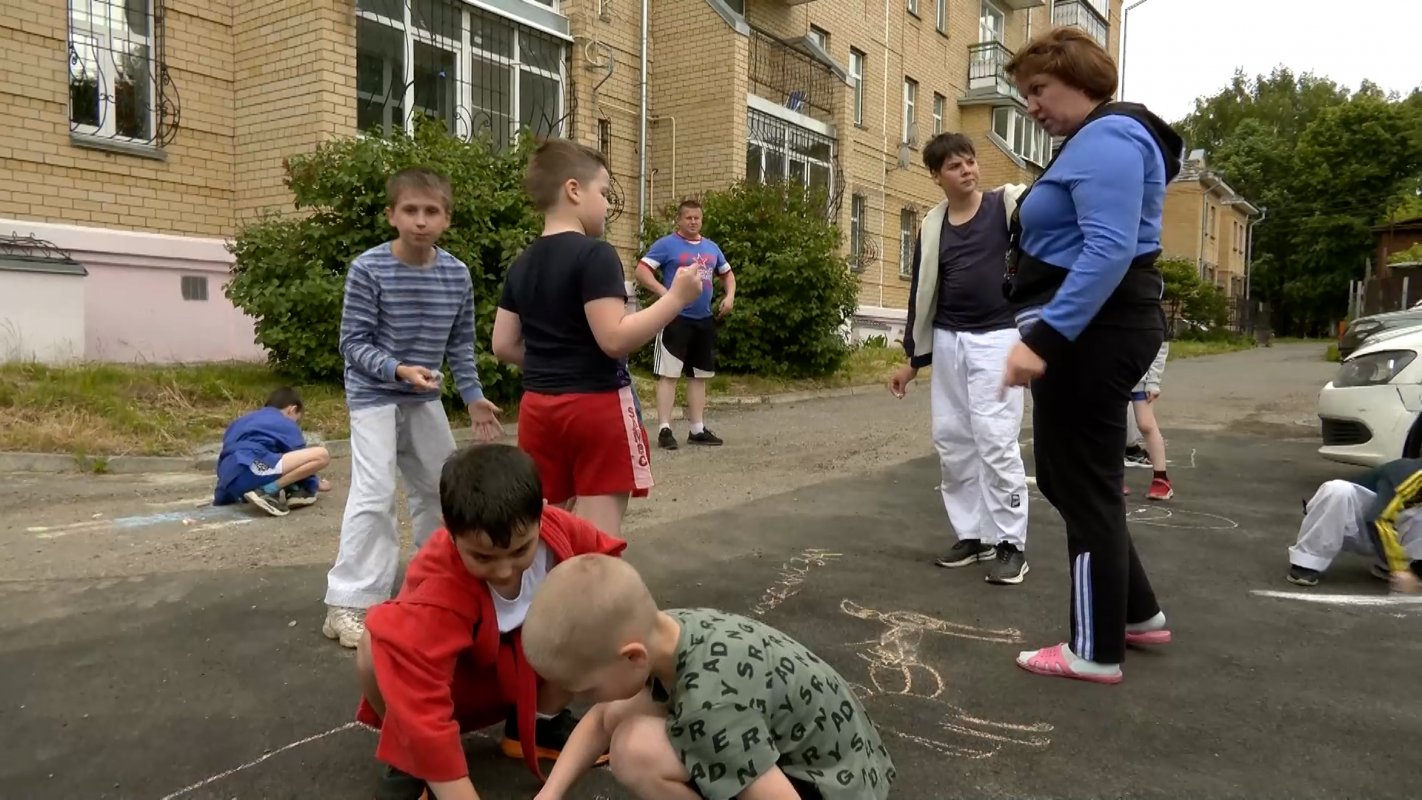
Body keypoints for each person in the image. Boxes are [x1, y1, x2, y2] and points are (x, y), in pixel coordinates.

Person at [999, 27, 1183, 684]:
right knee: (1074, 480)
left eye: (1039, 90)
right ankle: (1137, 615)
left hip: (1090, 332)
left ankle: (1094, 647)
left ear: (1078, 78)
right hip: (1093, 330)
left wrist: (1039, 341)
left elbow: (1107, 251)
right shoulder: (1101, 140)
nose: (1032, 106)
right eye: (1027, 95)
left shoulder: (1109, 138)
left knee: (1082, 485)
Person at [354, 443, 628, 800]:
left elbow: (610, 570)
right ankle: (410, 757)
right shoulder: (440, 585)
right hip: (454, 688)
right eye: (482, 556)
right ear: (449, 532)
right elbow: (420, 695)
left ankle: (538, 724)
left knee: (598, 605)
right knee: (375, 645)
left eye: (519, 551)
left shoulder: (559, 531)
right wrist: (437, 765)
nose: (503, 570)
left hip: (522, 677)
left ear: (542, 515)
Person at [521, 554, 896, 800]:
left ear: (632, 656)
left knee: (635, 750)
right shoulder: (668, 631)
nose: (584, 700)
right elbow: (603, 719)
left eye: (586, 689)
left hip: (835, 787)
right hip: (845, 763)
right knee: (625, 722)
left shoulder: (713, 707)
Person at [323, 166, 505, 649]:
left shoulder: (456, 274)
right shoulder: (369, 268)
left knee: (442, 490)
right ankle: (350, 601)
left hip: (423, 396)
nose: (420, 220)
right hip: (374, 394)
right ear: (392, 216)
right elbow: (353, 343)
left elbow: (461, 346)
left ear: (446, 218)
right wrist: (399, 369)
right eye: (410, 210)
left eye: (431, 211)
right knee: (375, 492)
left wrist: (473, 398)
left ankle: (434, 587)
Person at [493, 139, 702, 537]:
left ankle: (548, 598)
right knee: (593, 542)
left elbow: (502, 343)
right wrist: (677, 298)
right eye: (604, 193)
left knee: (548, 532)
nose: (607, 205)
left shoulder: (522, 263)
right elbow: (613, 339)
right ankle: (588, 598)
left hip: (538, 409)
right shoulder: (595, 255)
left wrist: (553, 360)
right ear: (574, 190)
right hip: (596, 407)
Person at [889, 132, 1031, 585]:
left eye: (970, 161)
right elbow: (922, 293)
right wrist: (913, 359)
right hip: (950, 341)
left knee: (995, 438)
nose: (967, 170)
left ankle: (1012, 544)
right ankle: (973, 535)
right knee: (953, 441)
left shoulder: (1007, 206)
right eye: (954, 166)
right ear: (936, 177)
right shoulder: (933, 225)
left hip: (998, 337)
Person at [635, 199, 736, 450]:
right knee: (669, 375)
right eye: (688, 217)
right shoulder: (666, 244)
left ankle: (697, 429)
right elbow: (642, 271)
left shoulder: (711, 248)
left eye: (697, 218)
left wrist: (730, 296)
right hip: (675, 319)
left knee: (698, 376)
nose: (693, 221)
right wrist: (665, 294)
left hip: (703, 320)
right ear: (679, 220)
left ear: (702, 220)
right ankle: (665, 429)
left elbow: (727, 274)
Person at [1287, 458, 1422, 593]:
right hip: (1347, 524)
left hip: (1389, 531)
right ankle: (1307, 562)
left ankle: (1392, 567)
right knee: (1337, 490)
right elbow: (1379, 519)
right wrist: (1400, 568)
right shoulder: (1409, 474)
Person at [212, 386, 332, 517]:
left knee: (272, 461)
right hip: (253, 465)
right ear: (292, 410)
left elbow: (228, 453)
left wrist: (222, 496)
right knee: (321, 455)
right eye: (297, 419)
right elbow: (298, 455)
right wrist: (315, 484)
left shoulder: (239, 421)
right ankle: (268, 490)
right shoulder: (284, 422)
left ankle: (277, 488)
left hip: (228, 476)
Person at [1124, 341, 1174, 500]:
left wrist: (1153, 381)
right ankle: (1113, 477)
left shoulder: (1152, 317)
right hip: (1114, 378)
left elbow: (1160, 346)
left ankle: (1161, 479)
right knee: (1114, 426)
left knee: (1146, 424)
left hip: (1141, 381)